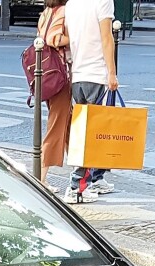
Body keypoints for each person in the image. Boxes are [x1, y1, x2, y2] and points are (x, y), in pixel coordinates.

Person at [62, 0, 118, 204]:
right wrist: (111, 73)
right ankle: (78, 186)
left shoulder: (72, 4)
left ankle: (95, 178)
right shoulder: (103, 2)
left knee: (84, 132)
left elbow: (70, 39)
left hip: (78, 75)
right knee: (92, 136)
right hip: (95, 75)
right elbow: (106, 38)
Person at [37, 0, 70, 191]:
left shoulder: (46, 12)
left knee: (69, 124)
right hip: (60, 75)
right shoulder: (64, 11)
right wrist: (75, 38)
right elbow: (54, 39)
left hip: (48, 74)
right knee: (57, 125)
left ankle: (84, 172)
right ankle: (40, 176)